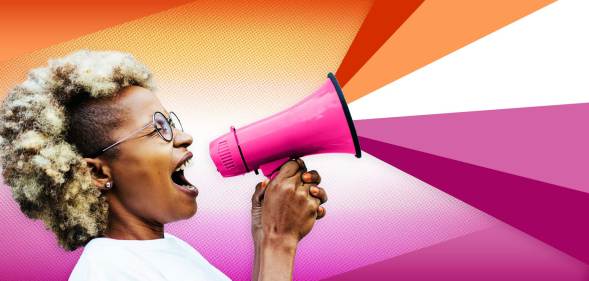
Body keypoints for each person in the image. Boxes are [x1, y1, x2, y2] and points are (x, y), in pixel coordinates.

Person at [0, 50, 328, 281]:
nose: (184, 137)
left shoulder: (165, 251)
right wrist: (277, 241)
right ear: (97, 173)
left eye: (171, 123)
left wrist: (263, 239)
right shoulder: (108, 273)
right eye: (158, 129)